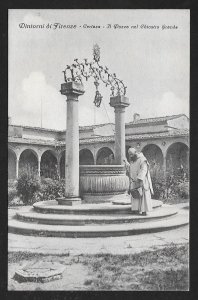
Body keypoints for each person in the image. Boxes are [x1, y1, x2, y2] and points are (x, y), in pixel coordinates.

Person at [124, 147, 154, 215]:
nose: (130, 156)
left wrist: (140, 178)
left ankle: (144, 211)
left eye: (131, 154)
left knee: (143, 196)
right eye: (129, 155)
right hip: (134, 181)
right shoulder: (133, 160)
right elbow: (131, 168)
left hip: (142, 181)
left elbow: (144, 169)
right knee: (135, 195)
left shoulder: (142, 159)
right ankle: (136, 210)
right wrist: (126, 163)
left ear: (135, 153)